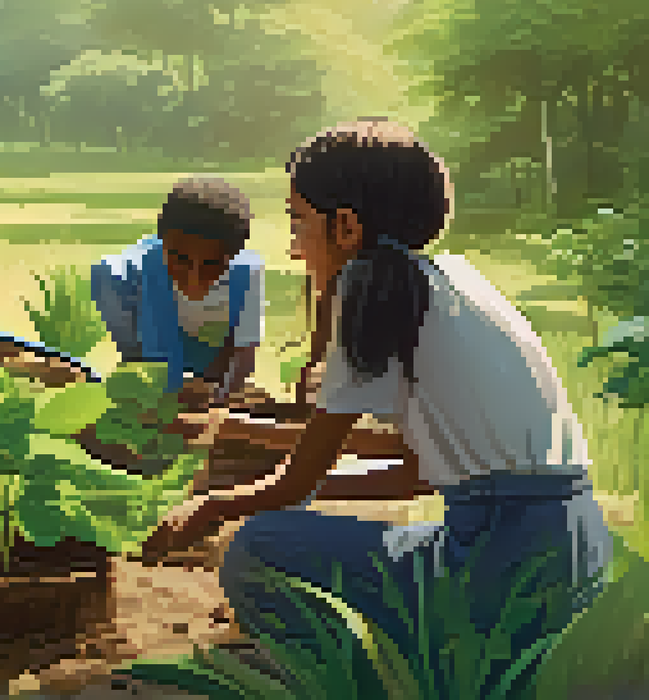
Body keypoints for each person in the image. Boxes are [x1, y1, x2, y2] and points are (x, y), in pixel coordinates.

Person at [140, 119, 613, 689]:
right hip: (576, 549)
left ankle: (356, 686)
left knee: (256, 548)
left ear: (345, 226)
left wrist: (212, 506)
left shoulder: (366, 292)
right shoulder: (454, 280)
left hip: (493, 560)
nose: (294, 248)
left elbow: (295, 484)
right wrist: (290, 480)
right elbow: (417, 471)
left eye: (298, 223)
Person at [91, 177, 264, 409]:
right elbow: (139, 366)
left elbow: (243, 357)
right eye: (181, 259)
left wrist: (216, 402)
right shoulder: (119, 280)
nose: (193, 278)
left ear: (233, 256)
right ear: (162, 242)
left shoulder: (246, 275)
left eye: (211, 264)